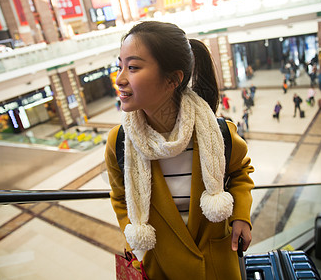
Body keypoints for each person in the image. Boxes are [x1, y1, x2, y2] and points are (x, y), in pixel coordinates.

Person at [105, 21, 255, 279]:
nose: (120, 79)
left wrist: (241, 215)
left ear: (173, 79)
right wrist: (137, 243)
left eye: (132, 67)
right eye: (120, 66)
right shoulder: (120, 142)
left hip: (217, 266)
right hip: (161, 266)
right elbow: (120, 198)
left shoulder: (217, 133)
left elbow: (241, 172)